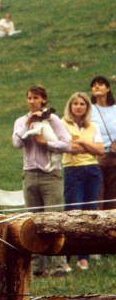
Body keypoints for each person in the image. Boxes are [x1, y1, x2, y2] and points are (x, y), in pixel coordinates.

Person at [12, 85, 83, 276]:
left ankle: (59, 265)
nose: (32, 101)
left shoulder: (54, 120)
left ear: (44, 100)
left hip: (50, 175)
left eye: (36, 98)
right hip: (29, 174)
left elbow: (67, 144)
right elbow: (16, 143)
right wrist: (28, 123)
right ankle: (37, 267)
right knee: (33, 222)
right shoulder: (21, 121)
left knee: (54, 220)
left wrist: (47, 144)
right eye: (29, 98)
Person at [61, 91, 104, 270]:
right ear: (70, 106)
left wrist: (83, 144)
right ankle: (67, 255)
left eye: (82, 104)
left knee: (89, 212)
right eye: (75, 103)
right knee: (73, 212)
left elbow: (100, 150)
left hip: (92, 171)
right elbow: (69, 148)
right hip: (73, 170)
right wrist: (89, 146)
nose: (78, 107)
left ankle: (83, 257)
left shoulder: (92, 126)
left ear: (87, 107)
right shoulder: (62, 124)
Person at [90, 76, 116, 210]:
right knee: (98, 196)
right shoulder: (88, 109)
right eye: (93, 85)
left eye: (100, 84)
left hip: (114, 158)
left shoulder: (115, 109)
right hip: (96, 157)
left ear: (108, 88)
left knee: (113, 197)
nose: (96, 87)